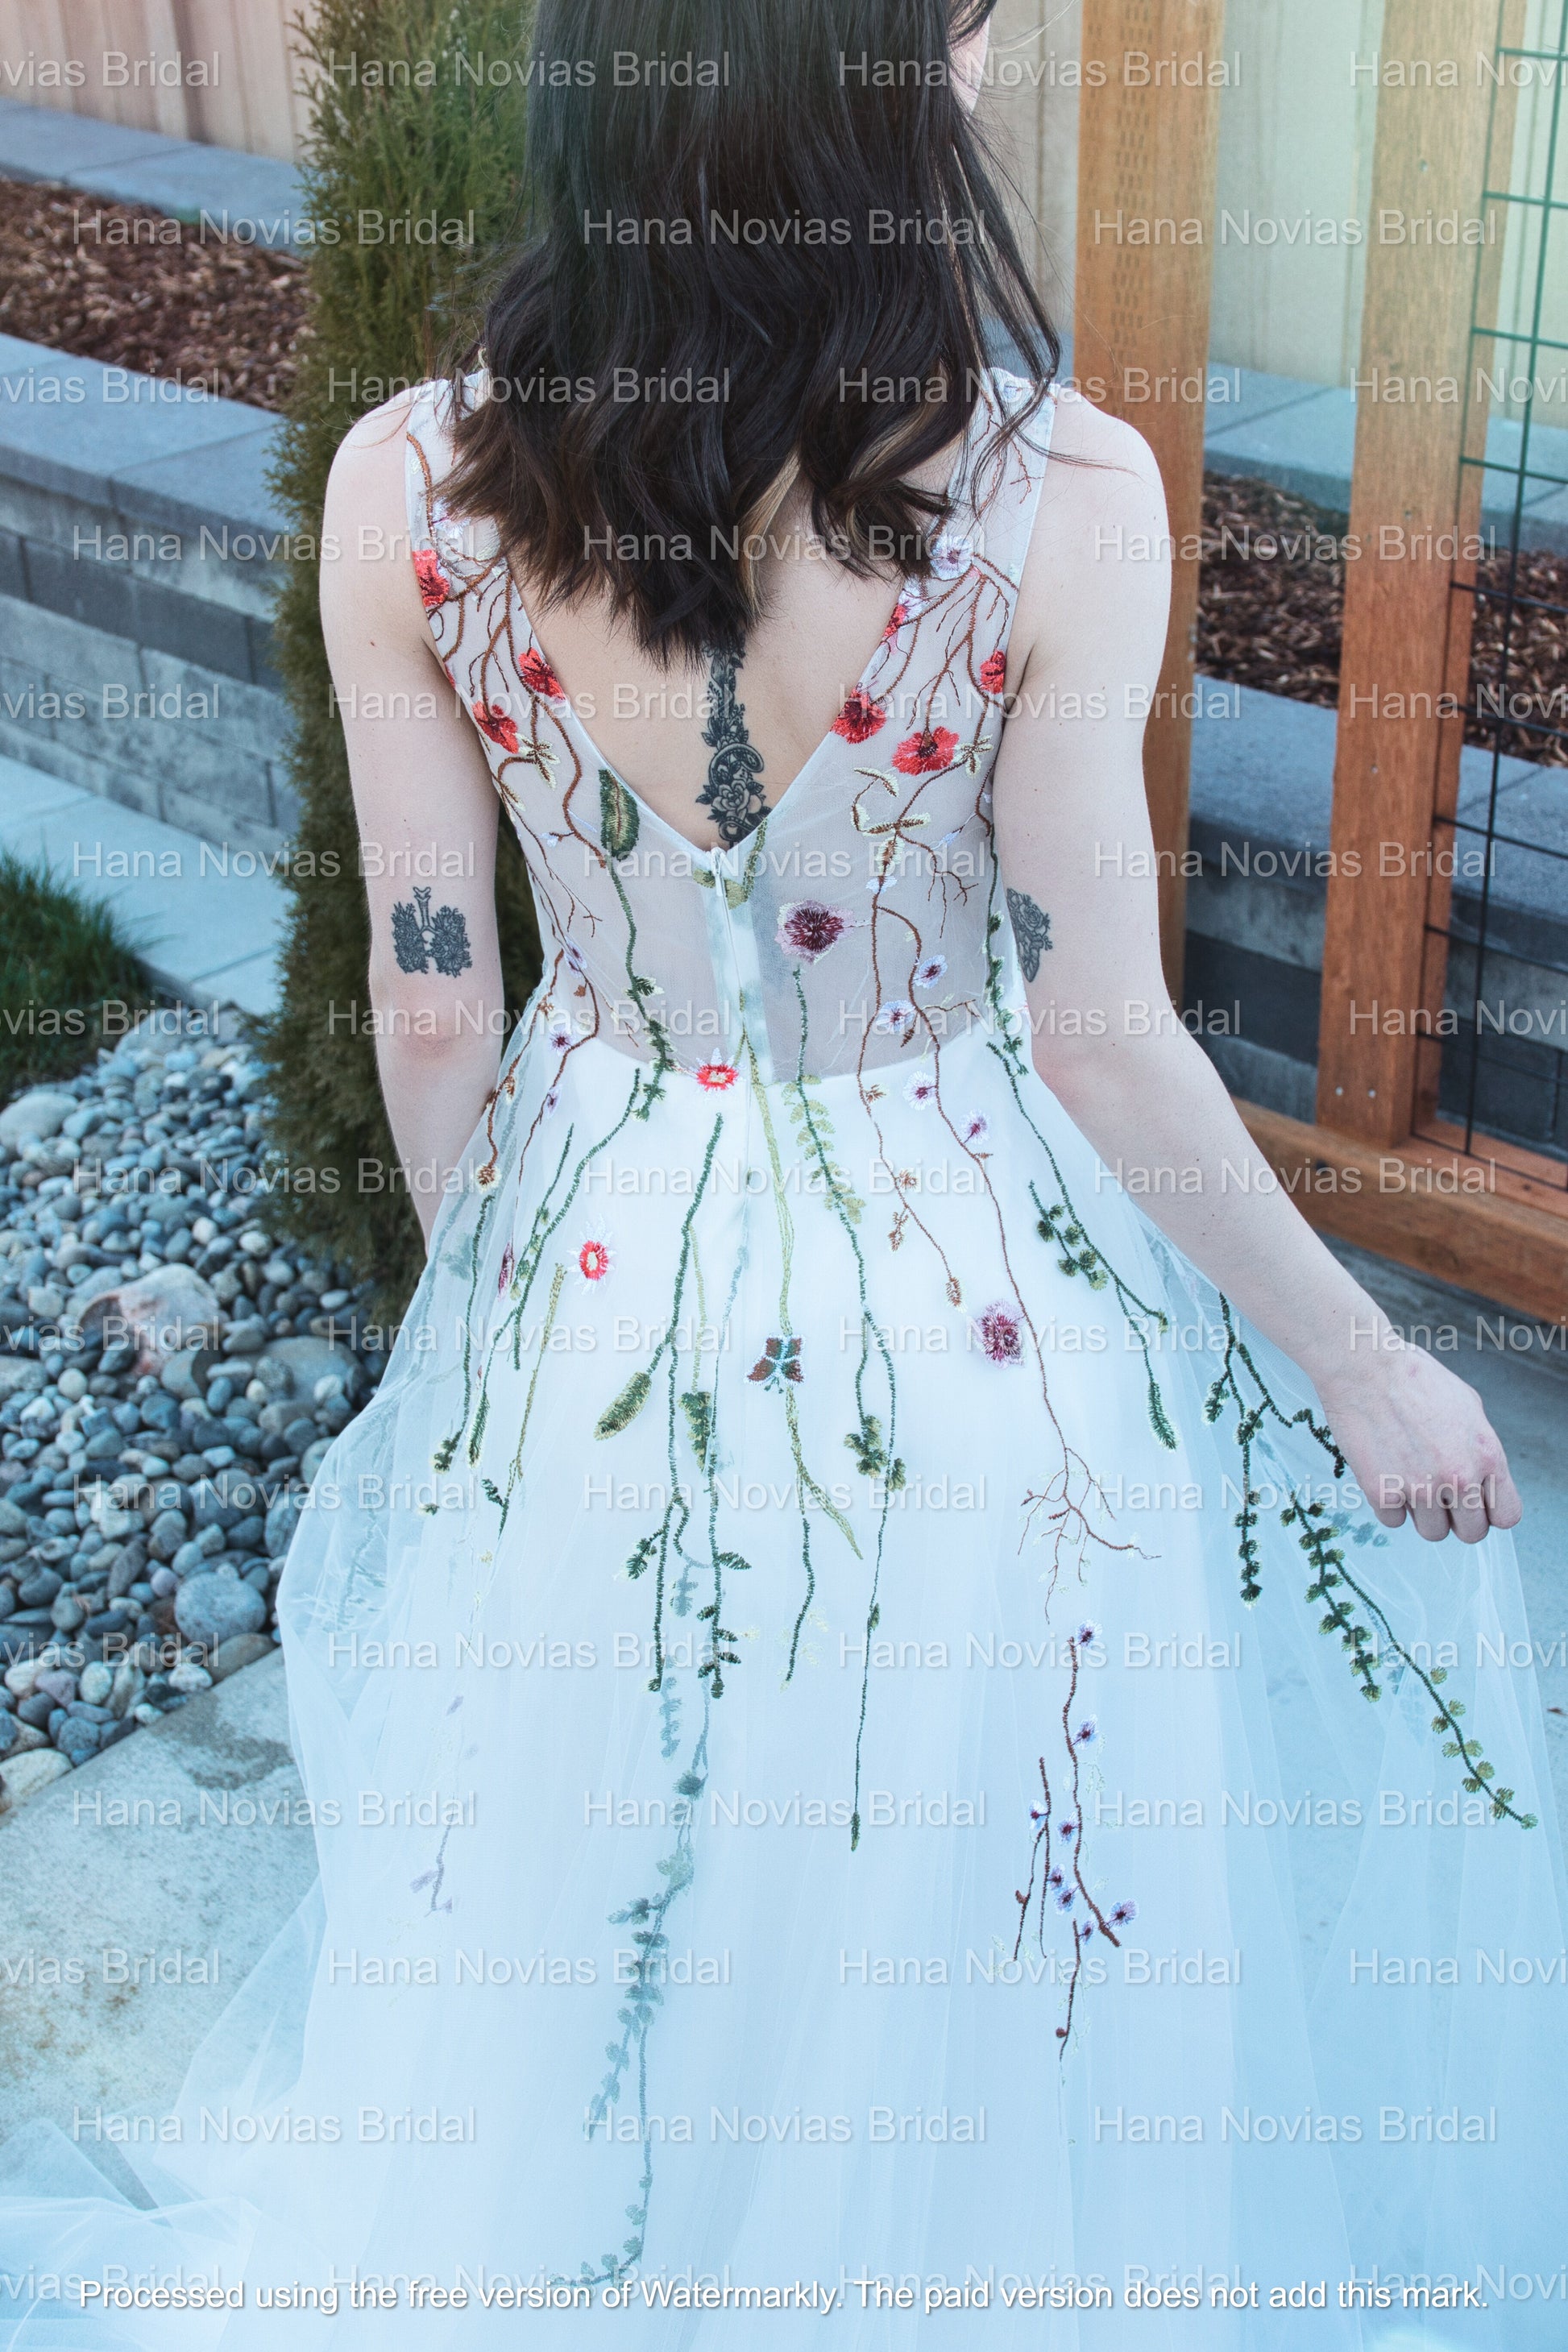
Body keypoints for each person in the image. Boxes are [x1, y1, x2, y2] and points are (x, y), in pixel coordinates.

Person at [2, 2, 1563, 2345]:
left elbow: (430, 996)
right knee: (972, 1887)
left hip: (595, 1272)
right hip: (969, 1291)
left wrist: (493, 1319)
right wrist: (1364, 1364)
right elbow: (1098, 1025)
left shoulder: (411, 480)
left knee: (627, 1855)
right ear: (875, 96)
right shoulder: (1062, 493)